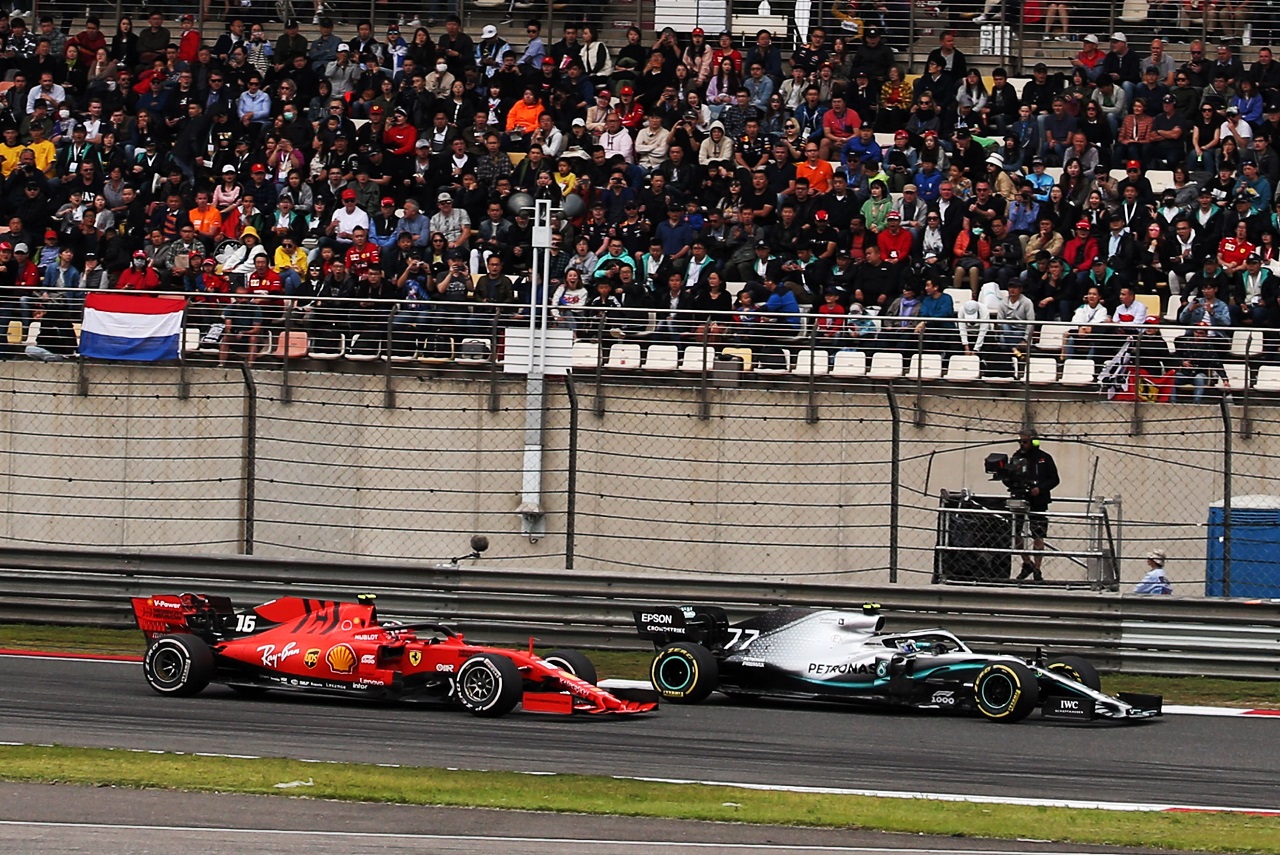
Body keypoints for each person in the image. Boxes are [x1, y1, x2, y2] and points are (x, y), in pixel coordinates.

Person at [1009, 429, 1061, 582]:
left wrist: (1040, 488)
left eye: (1025, 441)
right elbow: (1009, 476)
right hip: (1020, 499)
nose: (1022, 444)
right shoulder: (1017, 457)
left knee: (1038, 535)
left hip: (1039, 501)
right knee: (1015, 532)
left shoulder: (1044, 458)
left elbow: (1055, 479)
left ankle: (1037, 569)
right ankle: (1027, 563)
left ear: (1034, 441)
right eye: (1020, 441)